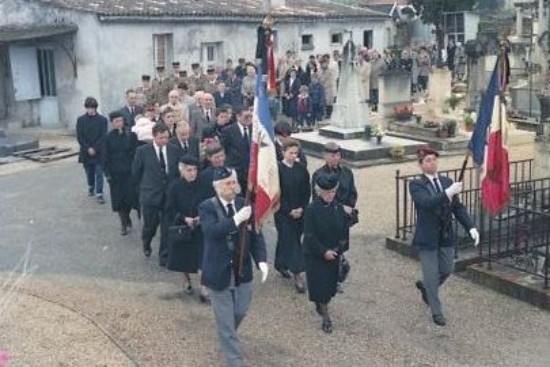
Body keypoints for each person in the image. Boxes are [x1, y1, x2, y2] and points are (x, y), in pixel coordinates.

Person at [198, 166, 268, 367]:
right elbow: (212, 232)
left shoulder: (244, 204)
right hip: (218, 272)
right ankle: (235, 361)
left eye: (234, 182)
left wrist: (261, 260)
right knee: (227, 324)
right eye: (227, 183)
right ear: (217, 187)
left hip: (242, 270)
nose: (232, 187)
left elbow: (256, 236)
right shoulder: (207, 207)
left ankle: (226, 336)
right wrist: (237, 219)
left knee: (240, 312)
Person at [409, 147, 480, 326]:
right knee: (431, 275)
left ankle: (426, 288)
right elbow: (426, 203)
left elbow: (457, 207)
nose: (432, 163)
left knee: (447, 269)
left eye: (434, 159)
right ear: (420, 165)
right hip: (428, 237)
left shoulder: (446, 181)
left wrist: (471, 227)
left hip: (446, 234)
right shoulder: (416, 185)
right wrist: (448, 193)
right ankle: (436, 310)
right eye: (428, 160)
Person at [303, 172, 350, 333]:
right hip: (316, 254)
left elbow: (344, 228)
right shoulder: (311, 210)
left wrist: (341, 247)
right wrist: (323, 252)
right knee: (321, 287)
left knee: (329, 288)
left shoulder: (337, 206)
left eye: (333, 192)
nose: (331, 195)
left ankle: (321, 303)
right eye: (327, 192)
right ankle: (326, 318)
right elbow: (309, 236)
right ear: (318, 192)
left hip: (334, 253)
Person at [132, 123, 179, 266]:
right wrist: (142, 191)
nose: (164, 140)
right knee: (150, 226)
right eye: (161, 138)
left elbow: (177, 172)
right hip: (150, 195)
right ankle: (146, 241)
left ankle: (164, 256)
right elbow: (136, 173)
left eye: (166, 137)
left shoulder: (174, 150)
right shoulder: (143, 151)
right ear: (154, 136)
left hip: (168, 196)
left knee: (167, 227)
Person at [166, 155, 210, 303]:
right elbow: (169, 208)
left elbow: (210, 203)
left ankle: (205, 287)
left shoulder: (204, 185)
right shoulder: (175, 186)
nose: (192, 173)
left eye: (194, 170)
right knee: (183, 255)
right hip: (183, 226)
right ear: (182, 171)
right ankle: (186, 280)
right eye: (189, 170)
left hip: (201, 225)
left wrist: (200, 217)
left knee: (204, 256)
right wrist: (184, 218)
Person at [274, 139, 310, 292]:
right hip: (283, 213)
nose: (293, 156)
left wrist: (302, 208)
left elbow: (306, 190)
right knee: (293, 241)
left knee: (289, 239)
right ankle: (298, 273)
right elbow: (276, 194)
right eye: (291, 153)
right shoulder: (277, 170)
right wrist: (288, 210)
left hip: (300, 211)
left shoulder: (301, 169)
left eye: (296, 153)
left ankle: (280, 263)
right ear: (283, 152)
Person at [101, 111, 139, 235]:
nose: (119, 123)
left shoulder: (131, 135)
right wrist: (107, 173)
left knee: (128, 198)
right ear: (112, 123)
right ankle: (123, 222)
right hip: (115, 174)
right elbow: (105, 157)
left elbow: (135, 153)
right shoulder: (108, 138)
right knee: (118, 200)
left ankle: (127, 217)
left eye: (120, 121)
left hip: (128, 172)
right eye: (116, 121)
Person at [76, 97, 108, 204]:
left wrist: (95, 148)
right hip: (86, 151)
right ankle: (91, 185)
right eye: (88, 108)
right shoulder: (81, 120)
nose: (90, 110)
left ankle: (99, 193)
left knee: (99, 172)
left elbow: (103, 136)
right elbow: (80, 137)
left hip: (99, 152)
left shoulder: (102, 120)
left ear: (95, 108)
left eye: (92, 108)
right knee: (89, 172)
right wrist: (87, 148)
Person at [221, 108, 252, 193]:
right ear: (238, 117)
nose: (249, 119)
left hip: (251, 170)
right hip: (236, 170)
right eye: (246, 117)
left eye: (250, 116)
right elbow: (224, 149)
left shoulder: (254, 130)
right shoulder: (228, 131)